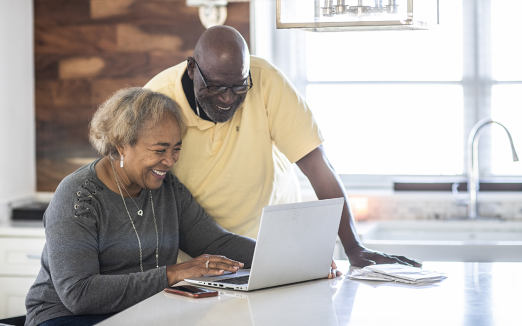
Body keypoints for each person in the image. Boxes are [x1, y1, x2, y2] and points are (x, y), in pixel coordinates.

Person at [144, 25, 421, 269]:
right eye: (216, 87)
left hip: (273, 241)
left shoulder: (265, 81)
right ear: (193, 68)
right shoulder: (158, 100)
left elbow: (316, 165)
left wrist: (353, 247)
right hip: (197, 257)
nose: (227, 99)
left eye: (239, 86)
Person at [25, 88, 255, 326]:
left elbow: (215, 242)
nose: (170, 160)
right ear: (121, 145)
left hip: (139, 312)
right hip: (67, 317)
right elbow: (80, 294)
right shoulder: (77, 197)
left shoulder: (168, 189)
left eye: (176, 148)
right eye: (159, 150)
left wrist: (279, 254)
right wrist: (174, 273)